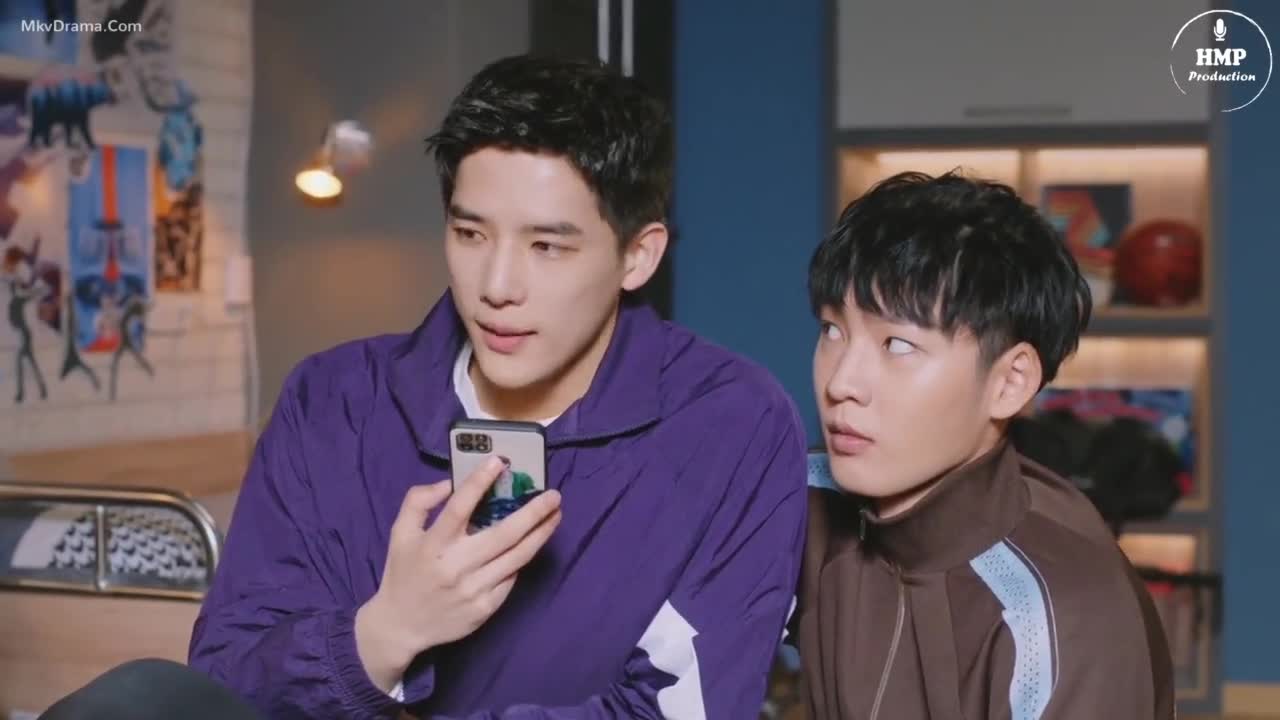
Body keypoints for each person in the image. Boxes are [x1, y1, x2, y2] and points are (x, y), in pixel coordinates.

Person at [188, 54, 808, 719]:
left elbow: (680, 712)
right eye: (470, 234)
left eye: (547, 246)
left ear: (638, 256)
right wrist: (384, 634)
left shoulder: (730, 423)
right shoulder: (332, 402)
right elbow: (223, 686)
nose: (497, 286)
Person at [792, 171, 1174, 719]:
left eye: (897, 344)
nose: (841, 382)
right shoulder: (794, 499)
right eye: (833, 331)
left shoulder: (1067, 617)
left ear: (1009, 382)